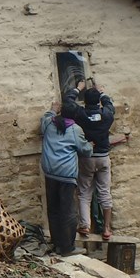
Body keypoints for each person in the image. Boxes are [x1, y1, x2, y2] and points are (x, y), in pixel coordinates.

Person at [64, 80, 115, 240]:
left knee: (84, 193)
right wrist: (101, 92)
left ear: (84, 101)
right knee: (104, 193)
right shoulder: (106, 114)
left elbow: (68, 103)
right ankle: (106, 229)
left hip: (87, 157)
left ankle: (85, 225)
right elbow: (109, 104)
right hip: (103, 157)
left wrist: (78, 89)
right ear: (98, 101)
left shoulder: (80, 114)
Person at [40, 101, 93, 256]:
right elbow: (86, 151)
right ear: (75, 116)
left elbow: (44, 121)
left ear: (61, 112)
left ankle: (56, 243)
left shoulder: (50, 123)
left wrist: (52, 110)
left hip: (50, 172)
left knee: (54, 208)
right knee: (68, 211)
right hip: (66, 175)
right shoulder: (75, 130)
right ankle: (68, 247)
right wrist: (90, 144)